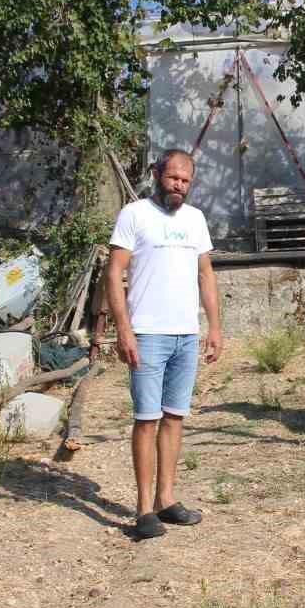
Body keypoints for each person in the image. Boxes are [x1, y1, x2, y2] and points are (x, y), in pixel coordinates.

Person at [103, 148, 223, 539]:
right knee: (146, 419)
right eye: (173, 178)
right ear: (157, 174)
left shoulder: (195, 220)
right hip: (148, 334)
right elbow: (115, 272)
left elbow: (205, 275)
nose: (179, 186)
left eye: (186, 181)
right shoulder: (134, 215)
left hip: (186, 334)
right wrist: (123, 329)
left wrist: (215, 327)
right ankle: (142, 509)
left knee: (174, 417)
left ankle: (167, 500)